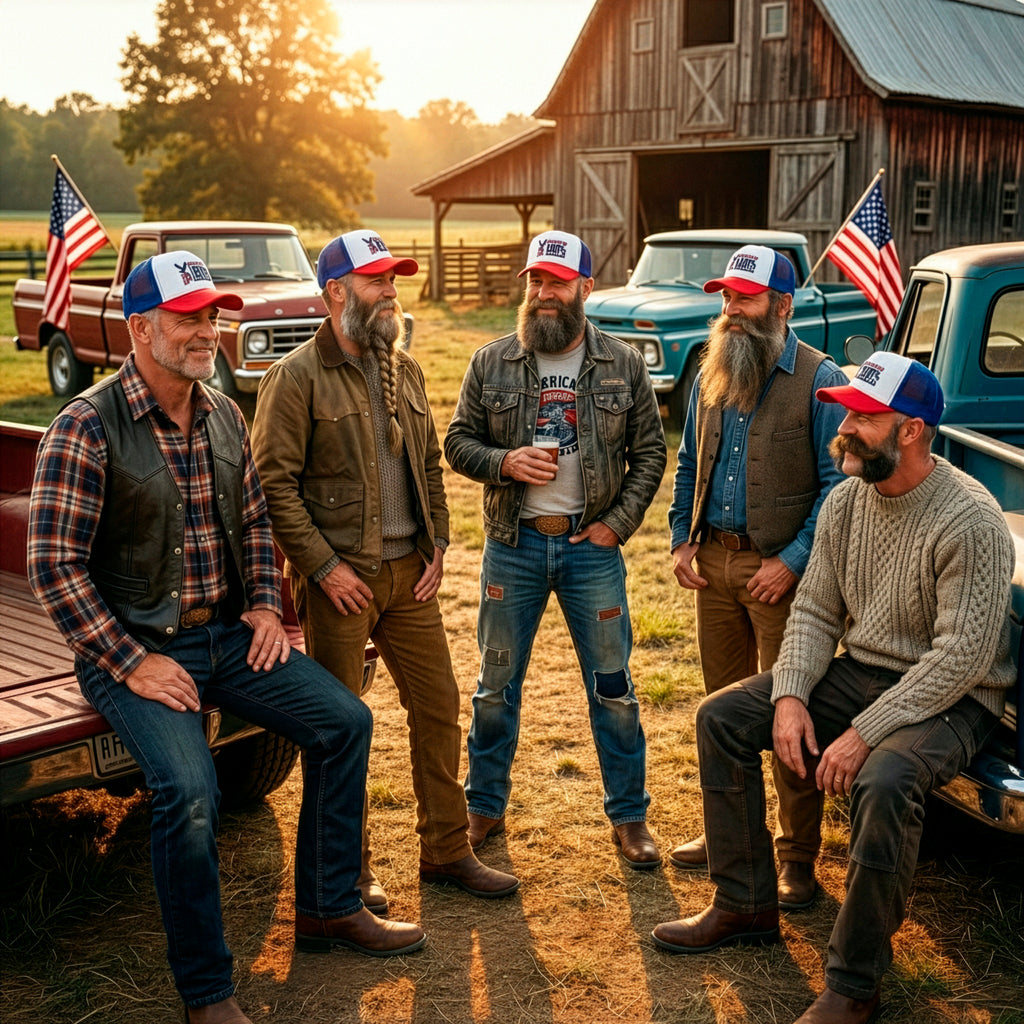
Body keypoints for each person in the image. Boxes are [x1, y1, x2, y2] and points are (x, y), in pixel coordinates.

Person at [26, 251, 427, 1024]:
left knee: (346, 722)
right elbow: (54, 568)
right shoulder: (85, 424)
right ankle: (207, 992)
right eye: (188, 317)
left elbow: (252, 522)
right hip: (137, 652)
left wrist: (270, 608)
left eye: (213, 314)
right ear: (140, 328)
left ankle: (328, 908)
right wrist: (132, 662)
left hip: (228, 640)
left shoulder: (222, 411)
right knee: (191, 792)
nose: (208, 329)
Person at [652, 352, 1015, 1024]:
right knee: (723, 717)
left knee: (882, 779)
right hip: (866, 671)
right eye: (844, 412)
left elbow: (961, 657)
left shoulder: (972, 519)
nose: (843, 428)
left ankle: (854, 984)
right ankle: (746, 901)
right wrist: (789, 695)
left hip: (956, 696)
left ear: (909, 431)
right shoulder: (847, 500)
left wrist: (862, 734)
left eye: (861, 417)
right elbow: (816, 610)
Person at [252, 229, 519, 911]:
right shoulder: (295, 377)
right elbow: (272, 485)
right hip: (342, 584)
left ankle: (447, 849)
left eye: (393, 280)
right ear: (335, 292)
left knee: (438, 705)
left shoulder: (407, 369)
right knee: (341, 728)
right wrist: (321, 568)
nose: (390, 292)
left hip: (410, 576)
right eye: (376, 281)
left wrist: (438, 543)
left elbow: (427, 463)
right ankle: (349, 869)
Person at [444, 230, 668, 867]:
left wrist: (616, 525)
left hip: (589, 549)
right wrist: (504, 461)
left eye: (558, 282)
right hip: (512, 547)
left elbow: (651, 453)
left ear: (585, 290)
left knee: (614, 688)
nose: (544, 294)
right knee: (494, 684)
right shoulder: (492, 362)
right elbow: (457, 441)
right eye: (535, 281)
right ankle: (483, 807)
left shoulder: (623, 364)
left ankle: (629, 817)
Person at [666, 244, 848, 907]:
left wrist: (792, 562)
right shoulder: (712, 373)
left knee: (788, 714)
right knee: (722, 710)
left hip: (784, 579)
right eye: (725, 298)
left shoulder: (821, 381)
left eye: (743, 298)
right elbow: (688, 464)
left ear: (782, 304)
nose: (730, 310)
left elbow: (838, 490)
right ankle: (729, 840)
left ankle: (798, 858)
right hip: (713, 566)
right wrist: (682, 541)